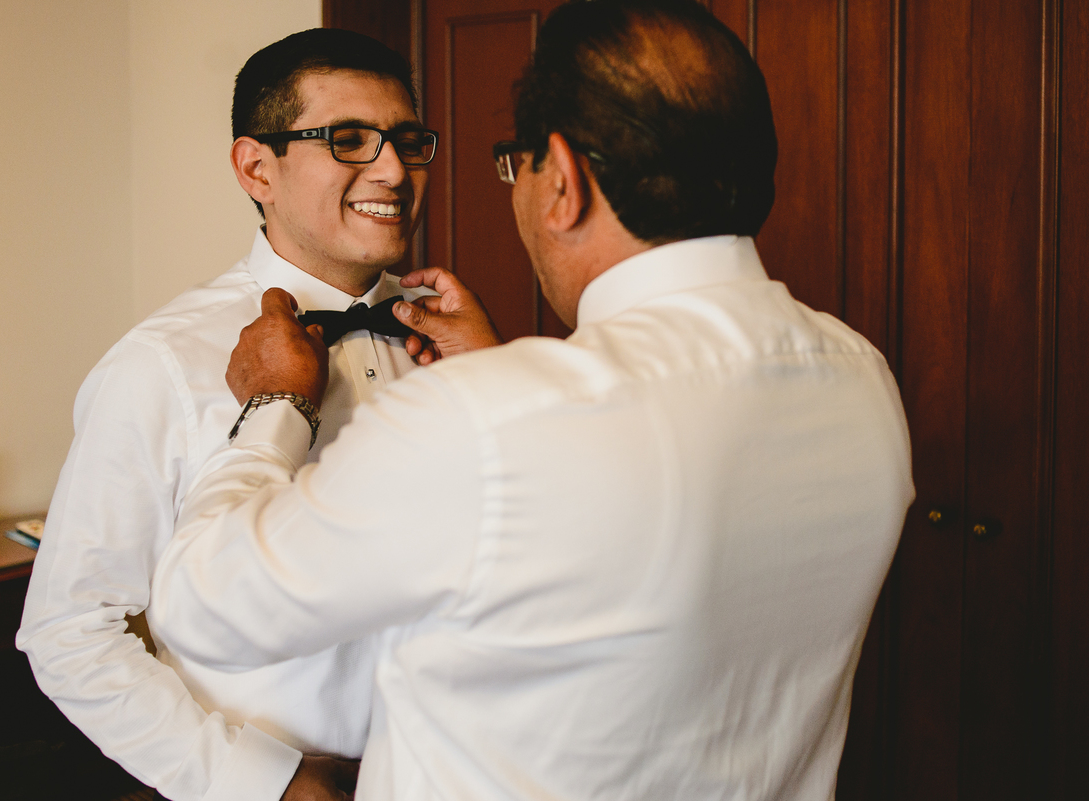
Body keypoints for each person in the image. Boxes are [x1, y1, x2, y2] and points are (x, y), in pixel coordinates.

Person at [150, 1, 915, 799]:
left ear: (564, 180)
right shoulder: (862, 378)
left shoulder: (485, 421)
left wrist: (275, 404)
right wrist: (496, 377)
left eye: (515, 168)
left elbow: (202, 604)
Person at [17, 28, 444, 801]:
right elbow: (69, 631)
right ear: (257, 167)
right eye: (350, 139)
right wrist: (262, 784)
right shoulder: (161, 364)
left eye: (410, 142)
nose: (393, 169)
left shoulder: (455, 340)